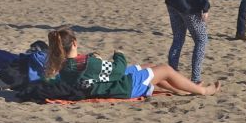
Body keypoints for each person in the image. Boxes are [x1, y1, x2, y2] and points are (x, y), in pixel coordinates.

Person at [44, 27, 219, 98]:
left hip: (102, 85)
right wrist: (119, 55)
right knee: (165, 69)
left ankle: (182, 89)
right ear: (74, 43)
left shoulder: (63, 67)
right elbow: (118, 70)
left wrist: (93, 59)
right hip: (122, 87)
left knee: (148, 66)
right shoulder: (88, 63)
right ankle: (203, 91)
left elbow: (89, 74)